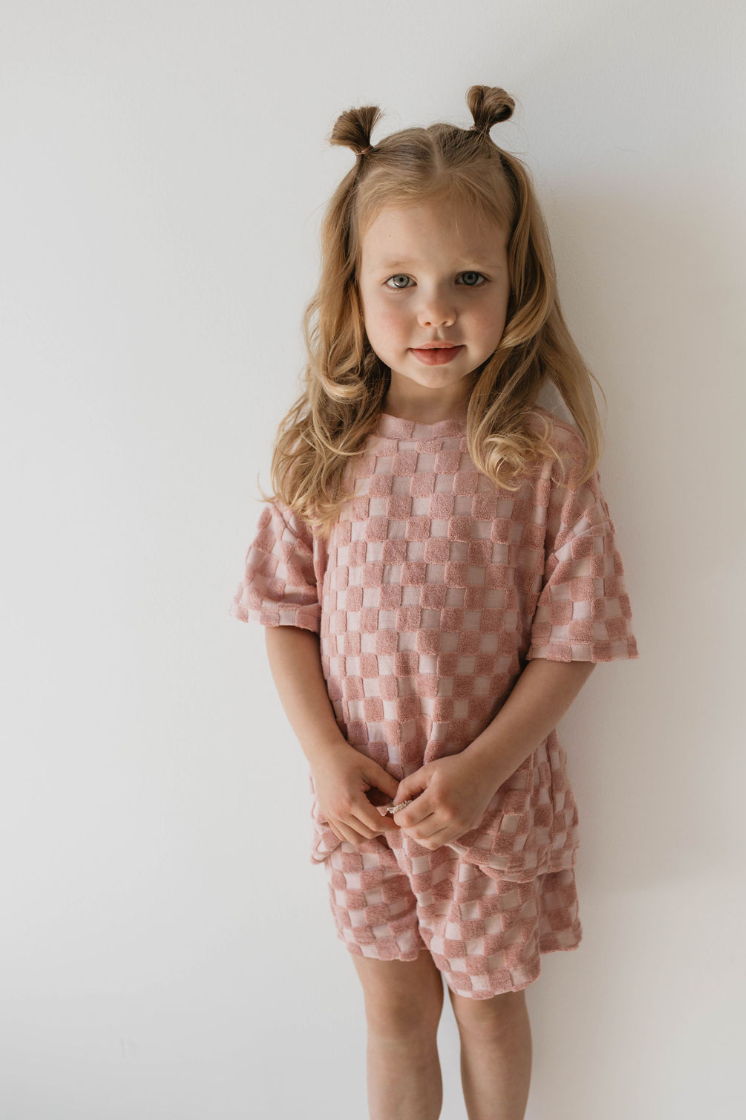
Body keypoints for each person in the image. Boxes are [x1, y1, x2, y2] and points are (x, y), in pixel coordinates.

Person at [228, 84, 639, 1120]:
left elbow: (575, 633)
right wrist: (324, 759)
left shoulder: (537, 455)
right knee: (393, 1014)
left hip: (487, 812)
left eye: (468, 278)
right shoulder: (322, 448)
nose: (435, 310)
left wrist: (483, 769)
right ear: (354, 286)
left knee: (489, 1010)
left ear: (517, 282)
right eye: (399, 279)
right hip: (361, 813)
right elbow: (281, 610)